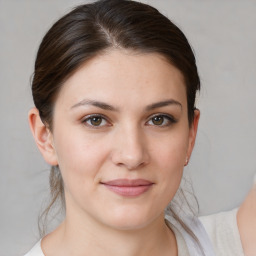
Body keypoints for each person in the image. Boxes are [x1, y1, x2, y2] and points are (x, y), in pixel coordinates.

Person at [25, 0, 254, 255]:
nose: (132, 155)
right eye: (96, 120)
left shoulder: (240, 243)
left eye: (159, 119)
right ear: (45, 137)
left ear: (190, 134)